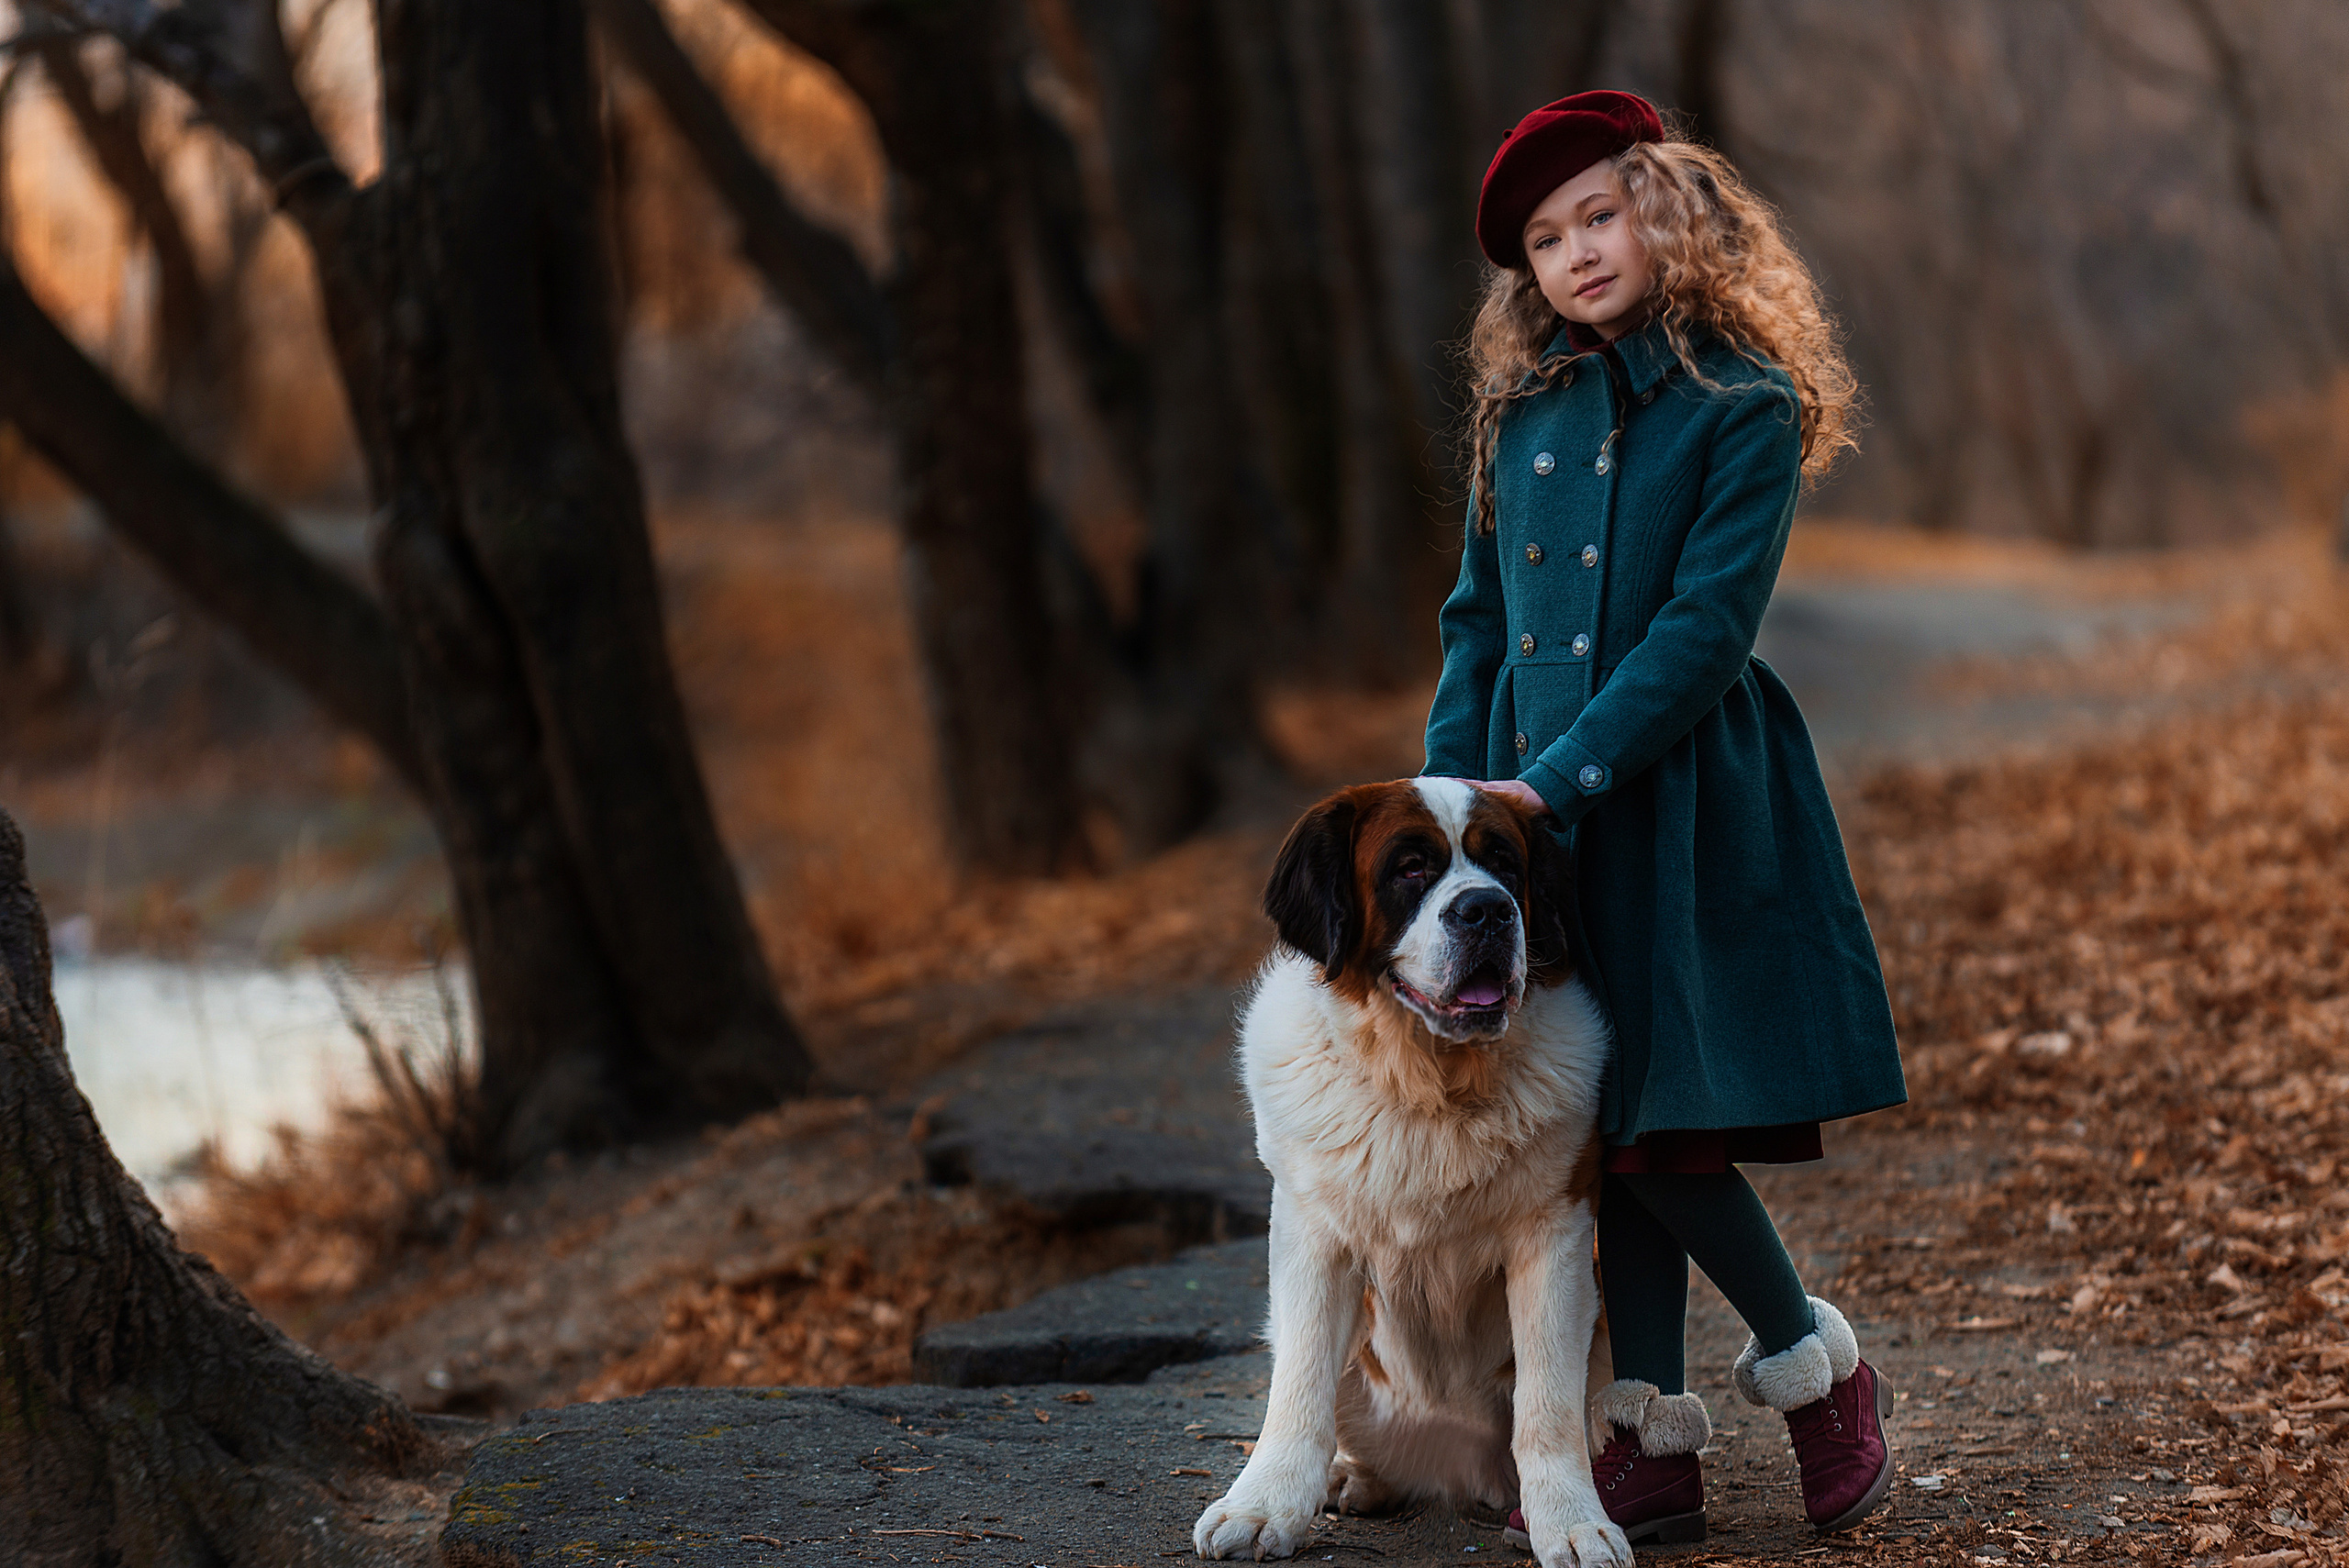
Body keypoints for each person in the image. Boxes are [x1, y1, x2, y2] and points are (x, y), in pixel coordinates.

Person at [1419, 90, 1910, 1546]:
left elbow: (1703, 633)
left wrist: (1554, 779)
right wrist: (1455, 810)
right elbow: (1477, 622)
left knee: (1664, 1130)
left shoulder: (1742, 403)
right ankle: (1648, 1433)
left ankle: (1821, 1372)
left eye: (1597, 214)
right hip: (1518, 820)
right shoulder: (1524, 413)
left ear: (1664, 206)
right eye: (1544, 242)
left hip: (1681, 802)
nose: (1575, 253)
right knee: (1589, 1123)